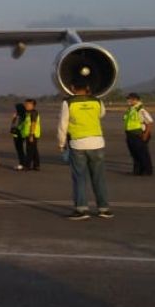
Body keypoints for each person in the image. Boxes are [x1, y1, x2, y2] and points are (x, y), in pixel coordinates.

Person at [58, 84, 111, 220]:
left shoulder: (68, 102)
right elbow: (102, 114)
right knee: (99, 177)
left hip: (78, 144)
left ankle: (81, 209)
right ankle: (104, 209)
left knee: (79, 178)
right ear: (88, 86)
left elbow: (63, 124)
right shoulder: (97, 101)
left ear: (72, 87)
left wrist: (61, 143)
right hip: (97, 143)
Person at [122, 92, 153, 176]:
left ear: (135, 100)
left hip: (138, 135)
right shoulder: (131, 109)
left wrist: (145, 135)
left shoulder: (140, 110)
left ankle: (146, 171)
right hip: (130, 135)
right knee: (134, 154)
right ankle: (137, 170)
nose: (128, 100)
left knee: (142, 154)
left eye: (129, 99)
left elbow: (149, 122)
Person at [20, 99, 41, 171]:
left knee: (29, 150)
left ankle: (27, 166)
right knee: (34, 150)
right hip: (28, 134)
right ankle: (36, 165)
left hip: (32, 134)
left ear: (33, 105)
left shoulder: (33, 113)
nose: (26, 106)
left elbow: (33, 124)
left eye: (28, 104)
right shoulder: (27, 113)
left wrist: (31, 135)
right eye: (26, 104)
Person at [11, 102, 28, 170]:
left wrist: (14, 118)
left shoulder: (22, 116)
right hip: (18, 134)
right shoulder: (22, 115)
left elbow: (15, 124)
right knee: (20, 149)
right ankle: (23, 163)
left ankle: (22, 163)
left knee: (20, 150)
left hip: (20, 134)